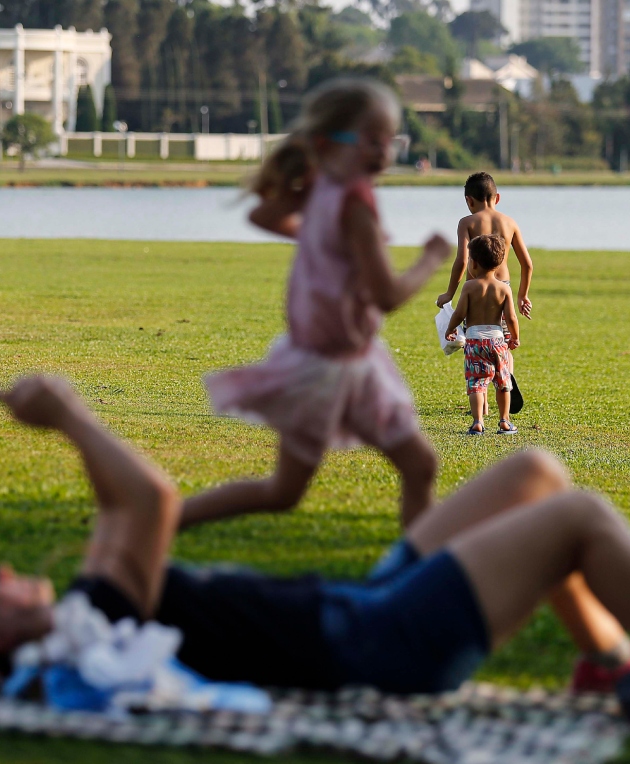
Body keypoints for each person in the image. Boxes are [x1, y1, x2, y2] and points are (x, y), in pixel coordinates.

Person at [0, 374, 630, 733]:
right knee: (584, 520)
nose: (4, 574)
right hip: (378, 646)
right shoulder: (102, 632)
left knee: (533, 469)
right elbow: (151, 500)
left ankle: (610, 664)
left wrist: (71, 431)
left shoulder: (91, 607)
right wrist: (71, 417)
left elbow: (129, 509)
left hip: (353, 606)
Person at [182, 77, 449, 530]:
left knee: (415, 466)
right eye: (370, 140)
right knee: (288, 491)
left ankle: (414, 575)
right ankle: (164, 519)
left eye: (389, 140)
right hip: (324, 371)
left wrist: (322, 240)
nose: (383, 151)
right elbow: (386, 297)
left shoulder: (324, 187)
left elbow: (262, 214)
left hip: (354, 364)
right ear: (328, 144)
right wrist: (430, 259)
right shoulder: (354, 201)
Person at [436, 172, 534, 420]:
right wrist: (522, 295)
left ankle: (482, 405)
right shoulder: (509, 222)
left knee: (477, 341)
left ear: (469, 200)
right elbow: (527, 264)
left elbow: (462, 260)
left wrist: (449, 292)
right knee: (502, 343)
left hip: (475, 288)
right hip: (504, 288)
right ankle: (505, 381)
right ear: (497, 197)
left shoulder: (466, 222)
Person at [445, 234, 519, 436]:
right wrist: (514, 336)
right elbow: (511, 317)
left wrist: (450, 328)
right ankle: (504, 421)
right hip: (498, 341)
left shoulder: (469, 287)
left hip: (474, 342)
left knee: (476, 383)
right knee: (503, 382)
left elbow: (460, 313)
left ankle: (478, 422)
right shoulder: (504, 288)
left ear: (474, 263)